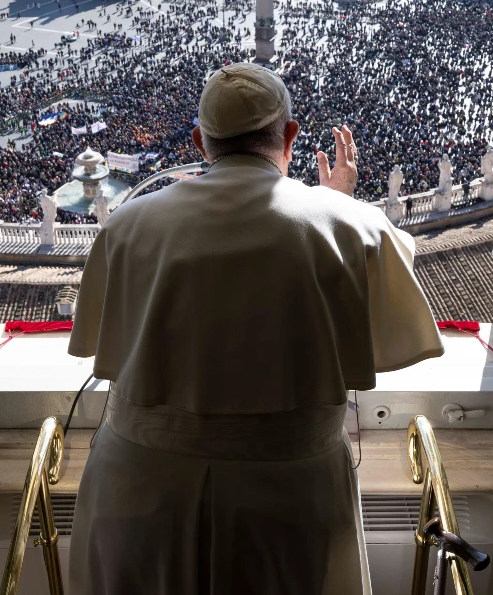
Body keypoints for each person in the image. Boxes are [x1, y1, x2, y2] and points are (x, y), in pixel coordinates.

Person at [67, 63, 443, 595]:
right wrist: (336, 202)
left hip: (140, 489)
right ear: (289, 135)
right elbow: (388, 294)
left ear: (200, 142)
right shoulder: (349, 221)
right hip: (289, 497)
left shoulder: (125, 224)